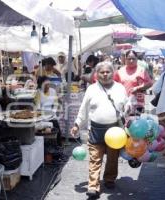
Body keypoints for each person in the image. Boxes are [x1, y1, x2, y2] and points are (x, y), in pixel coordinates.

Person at [71, 61, 127, 198]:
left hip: (115, 131)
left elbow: (126, 107)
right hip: (96, 130)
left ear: (112, 73)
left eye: (108, 71)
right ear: (97, 74)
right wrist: (77, 124)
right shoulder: (91, 89)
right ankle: (93, 186)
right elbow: (83, 109)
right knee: (95, 158)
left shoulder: (120, 88)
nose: (105, 74)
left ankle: (109, 179)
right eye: (102, 72)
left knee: (113, 158)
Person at [114, 50, 153, 115]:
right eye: (129, 59)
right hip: (123, 101)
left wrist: (138, 88)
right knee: (124, 121)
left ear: (137, 59)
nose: (131, 61)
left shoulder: (141, 70)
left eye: (133, 59)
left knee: (135, 123)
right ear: (125, 59)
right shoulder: (120, 71)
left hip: (137, 102)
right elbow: (114, 84)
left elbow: (150, 83)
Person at [35, 76, 62, 146]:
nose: (48, 86)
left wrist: (53, 112)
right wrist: (44, 115)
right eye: (45, 84)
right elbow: (38, 108)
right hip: (42, 117)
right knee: (46, 132)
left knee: (58, 131)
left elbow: (56, 104)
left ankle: (59, 147)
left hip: (52, 115)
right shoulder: (38, 93)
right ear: (41, 85)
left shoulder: (53, 91)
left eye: (48, 84)